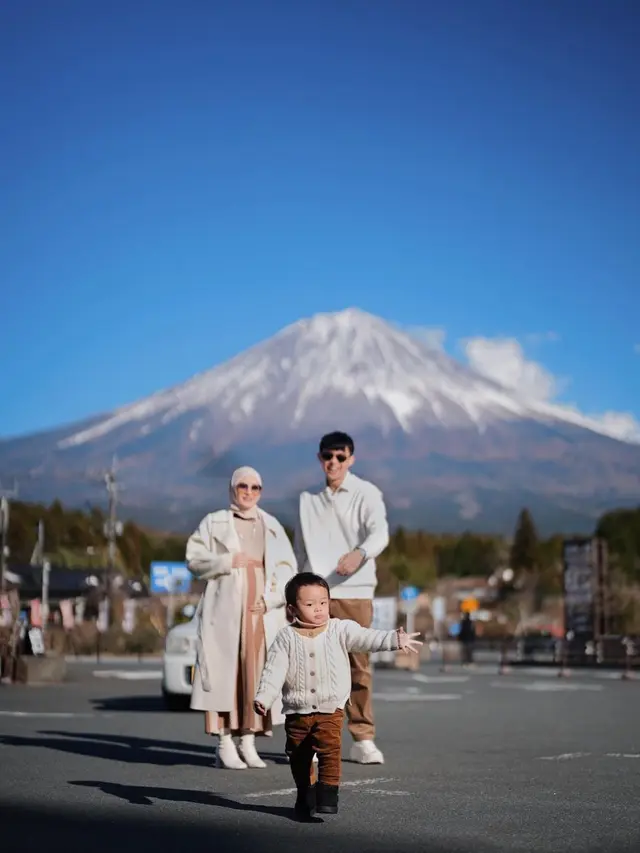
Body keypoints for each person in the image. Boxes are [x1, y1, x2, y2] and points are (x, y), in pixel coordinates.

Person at [254, 573, 422, 820]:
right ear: (292, 609)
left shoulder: (340, 629)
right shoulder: (285, 637)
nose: (319, 609)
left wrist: (395, 639)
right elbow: (273, 671)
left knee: (329, 751)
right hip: (297, 711)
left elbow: (367, 637)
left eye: (323, 602)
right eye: (310, 605)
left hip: (330, 708)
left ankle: (328, 795)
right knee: (298, 754)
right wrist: (264, 697)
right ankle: (305, 793)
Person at [185, 466, 297, 770]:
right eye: (242, 486)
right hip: (224, 611)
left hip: (260, 611)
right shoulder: (215, 522)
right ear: (232, 488)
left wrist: (273, 599)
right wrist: (226, 561)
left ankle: (248, 741)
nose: (248, 492)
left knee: (257, 673)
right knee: (225, 675)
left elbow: (289, 568)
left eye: (255, 487)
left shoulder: (271, 525)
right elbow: (193, 559)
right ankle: (224, 743)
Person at [293, 431, 390, 764]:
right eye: (326, 456)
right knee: (311, 669)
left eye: (339, 456)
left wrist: (359, 554)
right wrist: (293, 589)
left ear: (351, 459)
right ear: (319, 458)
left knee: (357, 666)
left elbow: (380, 533)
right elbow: (299, 549)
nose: (332, 462)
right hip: (314, 593)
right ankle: (315, 739)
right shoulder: (307, 499)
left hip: (355, 590)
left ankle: (362, 737)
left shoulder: (366, 493)